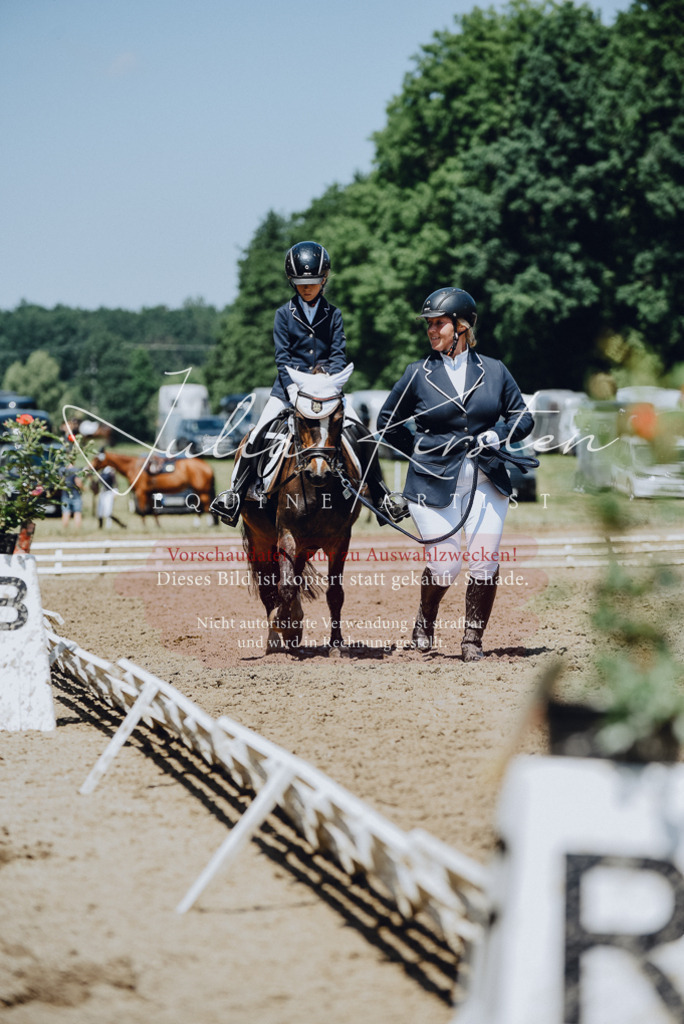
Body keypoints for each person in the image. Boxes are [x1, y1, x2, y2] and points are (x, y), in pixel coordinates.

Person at [377, 287, 534, 659]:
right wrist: (420, 449)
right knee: (446, 564)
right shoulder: (417, 373)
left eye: (439, 324)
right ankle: (425, 618)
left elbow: (522, 417)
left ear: (462, 327)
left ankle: (471, 640)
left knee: (484, 557)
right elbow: (387, 422)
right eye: (429, 325)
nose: (432, 331)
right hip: (432, 481)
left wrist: (498, 434)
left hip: (485, 478)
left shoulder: (494, 370)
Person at [216, 240, 403, 525]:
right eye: (300, 281)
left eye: (313, 281)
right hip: (289, 391)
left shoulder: (334, 315)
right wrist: (295, 390)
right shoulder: (283, 315)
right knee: (257, 436)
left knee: (364, 435)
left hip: (328, 390)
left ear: (324, 278)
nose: (307, 287)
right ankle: (235, 494)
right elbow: (283, 357)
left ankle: (382, 497)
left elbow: (338, 354)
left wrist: (328, 383)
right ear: (291, 281)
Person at [60, 461, 83, 530]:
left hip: (65, 494)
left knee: (65, 512)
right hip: (75, 494)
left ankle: (65, 529)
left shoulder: (62, 470)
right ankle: (77, 530)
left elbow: (60, 482)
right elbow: (78, 483)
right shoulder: (75, 470)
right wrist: (83, 488)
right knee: (77, 512)